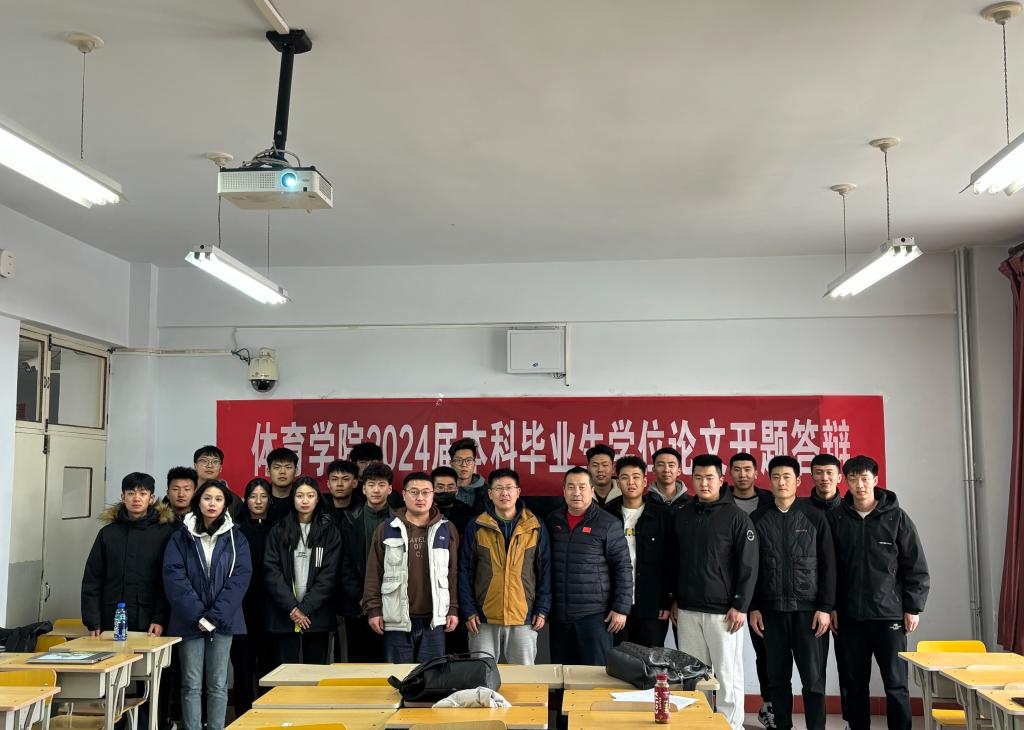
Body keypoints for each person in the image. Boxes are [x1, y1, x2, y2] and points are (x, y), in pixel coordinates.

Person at [829, 455, 929, 730]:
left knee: (896, 684)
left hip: (889, 616)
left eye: (865, 478)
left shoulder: (897, 518)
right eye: (853, 479)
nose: (859, 485)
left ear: (875, 480)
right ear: (845, 481)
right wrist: (831, 606)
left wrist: (913, 607)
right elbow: (830, 568)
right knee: (854, 684)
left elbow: (915, 566)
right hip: (849, 617)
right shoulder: (837, 518)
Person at [667, 453, 757, 730]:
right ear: (691, 479)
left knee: (727, 675)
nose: (703, 483)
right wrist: (675, 599)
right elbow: (674, 561)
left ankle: (732, 725)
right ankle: (698, 723)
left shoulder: (736, 517)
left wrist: (740, 605)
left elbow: (749, 565)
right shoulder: (682, 515)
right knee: (693, 676)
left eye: (709, 478)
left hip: (724, 613)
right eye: (698, 477)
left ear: (721, 479)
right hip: (688, 609)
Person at [749, 456, 835, 730]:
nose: (781, 482)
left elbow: (829, 565)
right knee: (777, 680)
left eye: (787, 477)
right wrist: (753, 606)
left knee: (813, 681)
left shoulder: (815, 517)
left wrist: (825, 607)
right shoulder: (758, 518)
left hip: (809, 614)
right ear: (769, 481)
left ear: (798, 481)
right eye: (776, 477)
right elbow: (750, 567)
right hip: (771, 613)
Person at [163, 480, 251, 730]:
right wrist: (199, 615)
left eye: (218, 499)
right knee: (191, 684)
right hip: (189, 620)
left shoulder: (236, 538)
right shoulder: (180, 537)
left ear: (225, 505)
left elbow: (240, 579)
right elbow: (174, 577)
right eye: (207, 498)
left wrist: (214, 616)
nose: (212, 504)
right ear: (198, 502)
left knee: (218, 684)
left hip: (223, 621)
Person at [362, 472, 459, 663]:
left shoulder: (446, 528)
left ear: (433, 495)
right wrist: (373, 609)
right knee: (398, 677)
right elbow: (374, 572)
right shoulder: (387, 528)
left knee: (431, 676)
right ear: (404, 495)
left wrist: (453, 609)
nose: (420, 497)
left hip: (434, 620)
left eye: (426, 492)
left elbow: (453, 573)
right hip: (396, 619)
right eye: (414, 492)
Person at [458, 468, 551, 664]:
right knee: (482, 674)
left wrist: (542, 608)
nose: (504, 493)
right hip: (483, 618)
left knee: (523, 677)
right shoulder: (477, 526)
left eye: (509, 488)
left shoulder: (535, 526)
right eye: (498, 488)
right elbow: (464, 571)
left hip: (523, 616)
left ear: (518, 491)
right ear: (490, 494)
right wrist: (468, 610)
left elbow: (545, 571)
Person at [546, 466, 632, 665]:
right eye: (571, 487)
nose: (576, 492)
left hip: (595, 616)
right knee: (561, 674)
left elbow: (623, 567)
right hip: (560, 616)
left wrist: (621, 608)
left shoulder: (608, 523)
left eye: (582, 487)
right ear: (563, 490)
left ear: (592, 490)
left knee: (594, 675)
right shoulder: (552, 521)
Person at [81, 472, 177, 636]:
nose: (136, 498)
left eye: (143, 494)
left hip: (149, 621)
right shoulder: (108, 533)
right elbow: (93, 579)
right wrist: (92, 620)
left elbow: (168, 581)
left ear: (151, 498)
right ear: (123, 497)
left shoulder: (165, 533)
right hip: (111, 618)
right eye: (131, 493)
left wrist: (160, 618)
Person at [263, 476, 342, 665]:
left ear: (318, 499)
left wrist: (304, 608)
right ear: (292, 499)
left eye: (310, 495)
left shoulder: (329, 531)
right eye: (299, 496)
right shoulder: (279, 530)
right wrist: (293, 608)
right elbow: (272, 571)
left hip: (317, 617)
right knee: (286, 675)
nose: (305, 501)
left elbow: (329, 575)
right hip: (285, 615)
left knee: (315, 674)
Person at [604, 455, 671, 647]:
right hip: (615, 605)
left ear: (645, 481)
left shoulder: (661, 515)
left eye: (636, 477)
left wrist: (666, 601)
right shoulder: (607, 514)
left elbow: (671, 560)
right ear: (618, 482)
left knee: (651, 659)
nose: (631, 482)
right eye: (625, 477)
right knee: (618, 659)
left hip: (651, 606)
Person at [728, 450, 774, 727]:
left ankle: (769, 705)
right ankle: (719, 709)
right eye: (737, 469)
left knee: (766, 651)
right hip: (724, 588)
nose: (742, 474)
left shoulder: (770, 501)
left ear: (757, 473)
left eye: (748, 469)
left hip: (762, 588)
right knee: (724, 656)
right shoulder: (719, 499)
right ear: (729, 473)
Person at [338, 462, 396, 662]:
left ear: (390, 489)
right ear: (363, 489)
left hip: (392, 604)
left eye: (381, 484)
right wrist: (362, 597)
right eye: (371, 484)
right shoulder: (349, 520)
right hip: (357, 605)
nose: (376, 490)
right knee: (358, 662)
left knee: (389, 662)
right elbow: (344, 564)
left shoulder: (400, 521)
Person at [230, 478, 273, 716]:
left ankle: (266, 718)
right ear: (245, 500)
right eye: (253, 496)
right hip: (241, 611)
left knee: (269, 669)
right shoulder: (235, 531)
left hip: (271, 610)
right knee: (242, 669)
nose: (258, 501)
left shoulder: (277, 529)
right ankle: (242, 717)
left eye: (263, 496)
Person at [193, 445, 243, 520]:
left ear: (220, 468)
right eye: (204, 461)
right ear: (195, 466)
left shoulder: (233, 500)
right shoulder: (186, 496)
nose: (209, 465)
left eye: (215, 461)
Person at [431, 466, 476, 535]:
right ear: (431, 488)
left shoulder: (467, 513)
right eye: (440, 487)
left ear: (456, 489)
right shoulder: (422, 511)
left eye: (450, 487)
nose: (445, 491)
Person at [449, 437, 487, 511]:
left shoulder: (487, 492)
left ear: (474, 463)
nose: (464, 465)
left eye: (469, 460)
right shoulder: (442, 490)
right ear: (451, 463)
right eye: (459, 460)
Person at [647, 447, 690, 512]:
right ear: (654, 470)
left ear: (679, 471)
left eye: (671, 465)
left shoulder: (691, 503)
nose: (666, 470)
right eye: (661, 465)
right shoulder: (643, 502)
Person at [265, 447, 298, 524]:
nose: (282, 472)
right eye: (277, 467)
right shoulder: (260, 499)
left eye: (288, 467)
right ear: (268, 471)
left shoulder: (304, 499)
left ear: (296, 471)